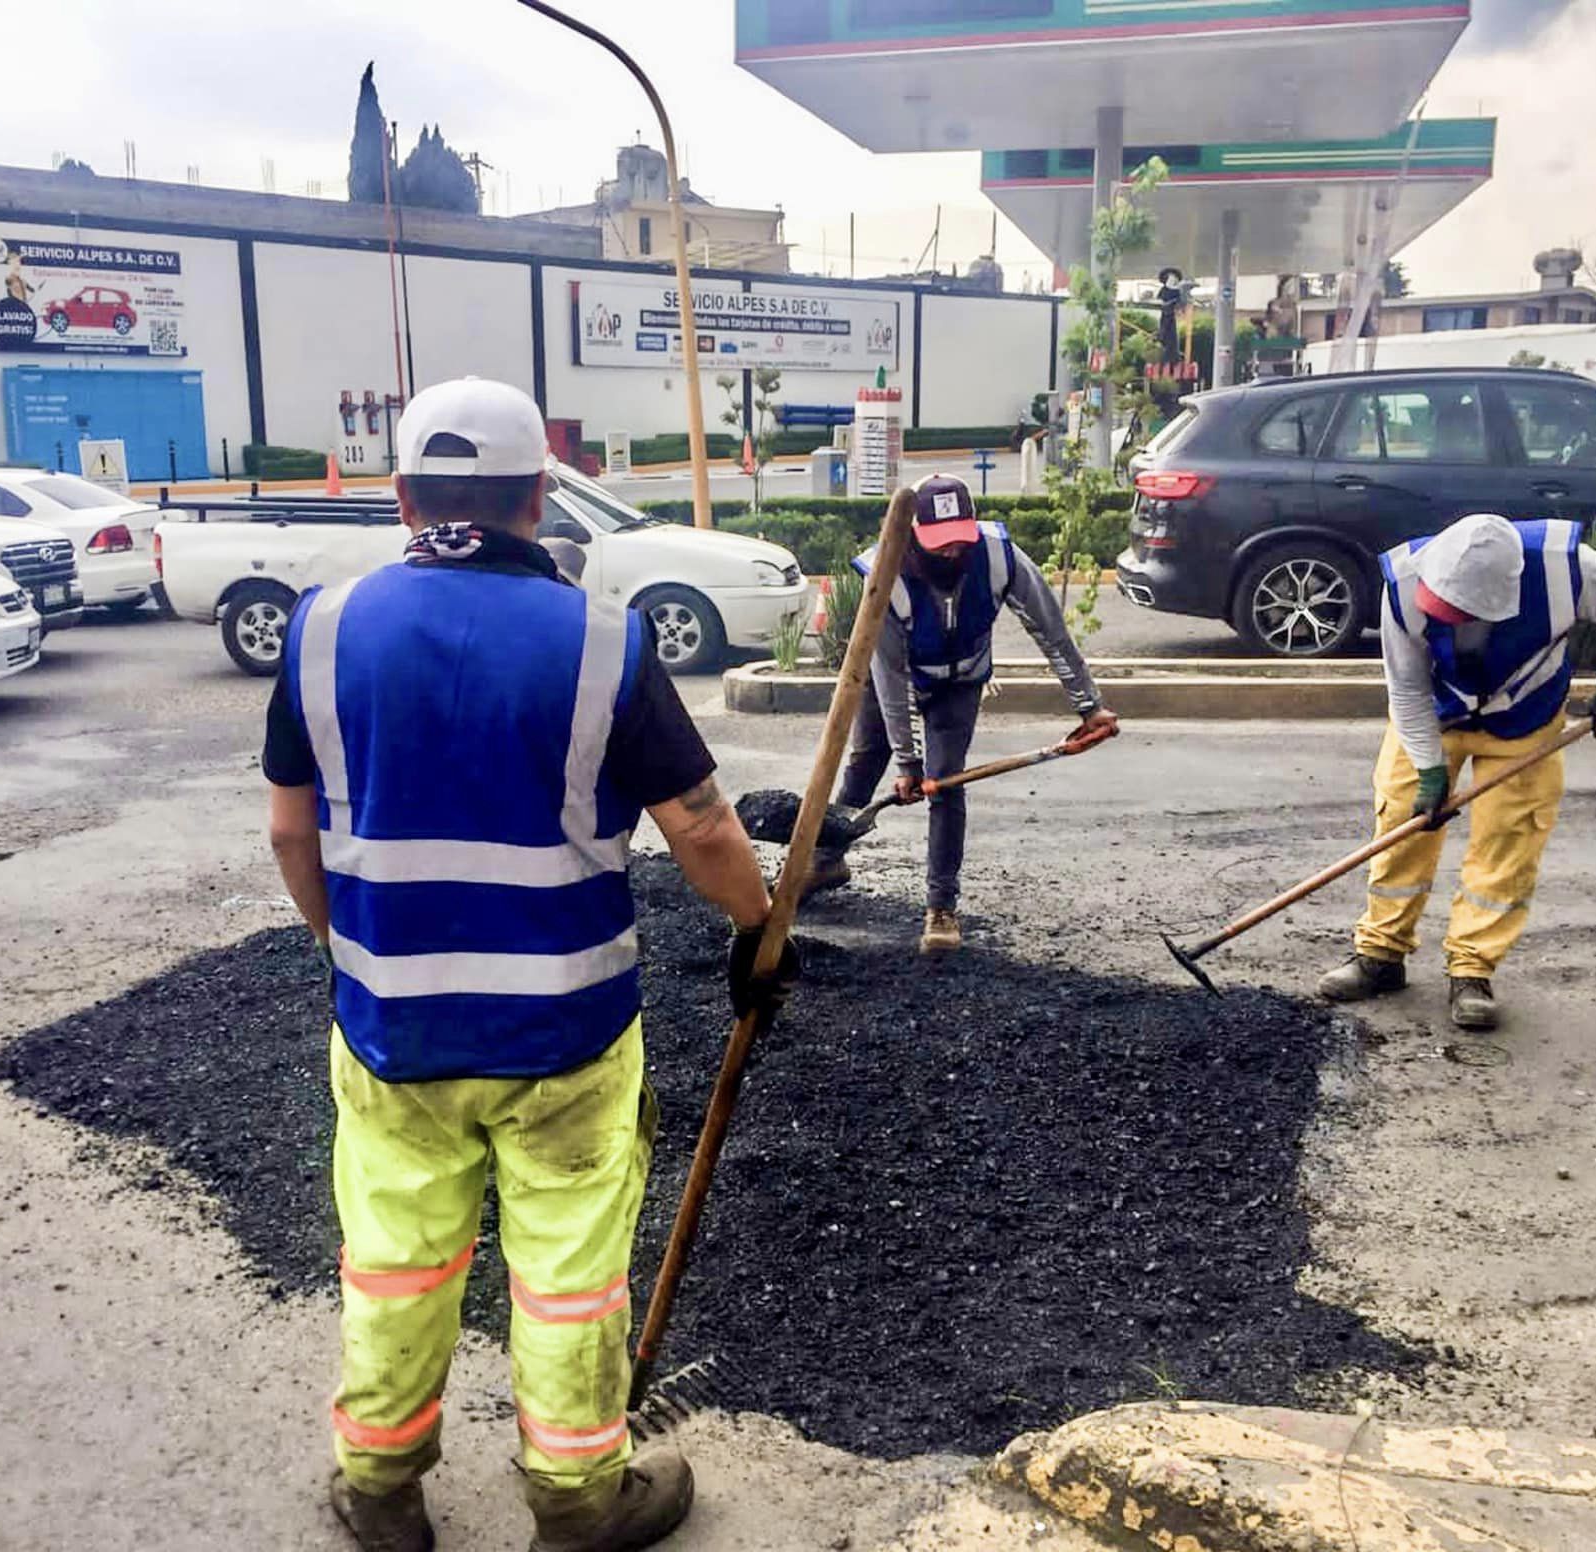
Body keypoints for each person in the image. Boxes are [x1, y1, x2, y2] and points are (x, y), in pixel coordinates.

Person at [263, 376, 799, 1552]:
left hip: (391, 1024)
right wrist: (761, 925)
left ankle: (383, 1486)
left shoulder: (321, 627)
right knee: (564, 1271)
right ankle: (575, 1500)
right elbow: (703, 827)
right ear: (537, 497)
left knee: (397, 1256)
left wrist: (345, 948)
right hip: (566, 1029)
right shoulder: (600, 638)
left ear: (401, 495)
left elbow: (291, 832)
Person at [1319, 512, 1596, 1030]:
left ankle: (1472, 970)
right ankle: (1380, 956)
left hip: (1525, 721)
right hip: (1433, 715)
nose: (1441, 615)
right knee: (1400, 827)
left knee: (1507, 841)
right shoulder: (1406, 582)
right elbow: (1407, 688)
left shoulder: (1567, 570)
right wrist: (1430, 772)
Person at [805, 474, 1120, 953]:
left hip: (960, 682)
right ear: (913, 536)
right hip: (896, 671)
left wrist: (1089, 705)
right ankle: (827, 857)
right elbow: (890, 677)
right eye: (939, 545)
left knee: (946, 781)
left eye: (959, 542)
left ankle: (941, 908)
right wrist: (906, 763)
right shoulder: (884, 575)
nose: (952, 553)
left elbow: (1051, 632)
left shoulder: (999, 556)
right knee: (868, 756)